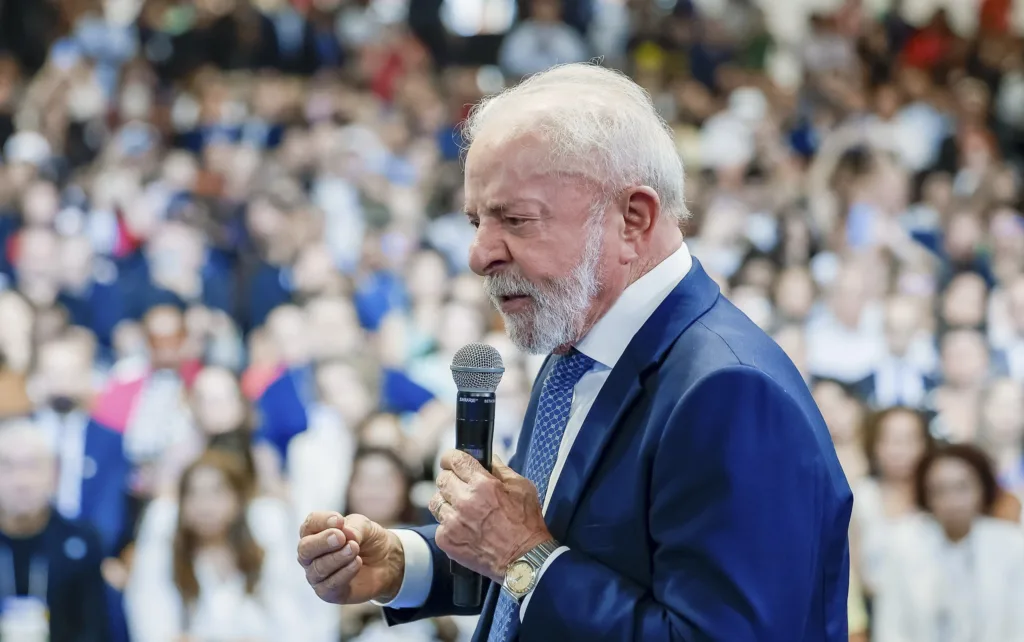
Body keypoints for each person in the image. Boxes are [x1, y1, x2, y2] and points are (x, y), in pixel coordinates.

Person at [297, 63, 852, 641]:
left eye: (515, 219)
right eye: (477, 221)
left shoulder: (732, 391)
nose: (479, 254)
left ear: (633, 219)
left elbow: (542, 562)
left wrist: (524, 555)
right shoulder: (580, 346)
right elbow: (566, 557)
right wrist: (403, 563)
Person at [125, 450, 307, 641]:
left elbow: (290, 620)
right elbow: (153, 623)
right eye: (194, 494)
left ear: (238, 499)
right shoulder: (168, 554)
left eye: (216, 493)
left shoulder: (262, 551)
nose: (205, 506)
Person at [872, 443, 1024, 642]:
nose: (952, 501)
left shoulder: (1011, 545)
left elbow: (1019, 625)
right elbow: (890, 627)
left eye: (962, 488)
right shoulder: (903, 544)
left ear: (982, 488)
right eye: (940, 490)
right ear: (926, 495)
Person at [0, 419, 110, 642]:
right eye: (7, 466)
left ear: (54, 474)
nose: (21, 481)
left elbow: (93, 629)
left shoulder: (82, 541)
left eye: (32, 466)